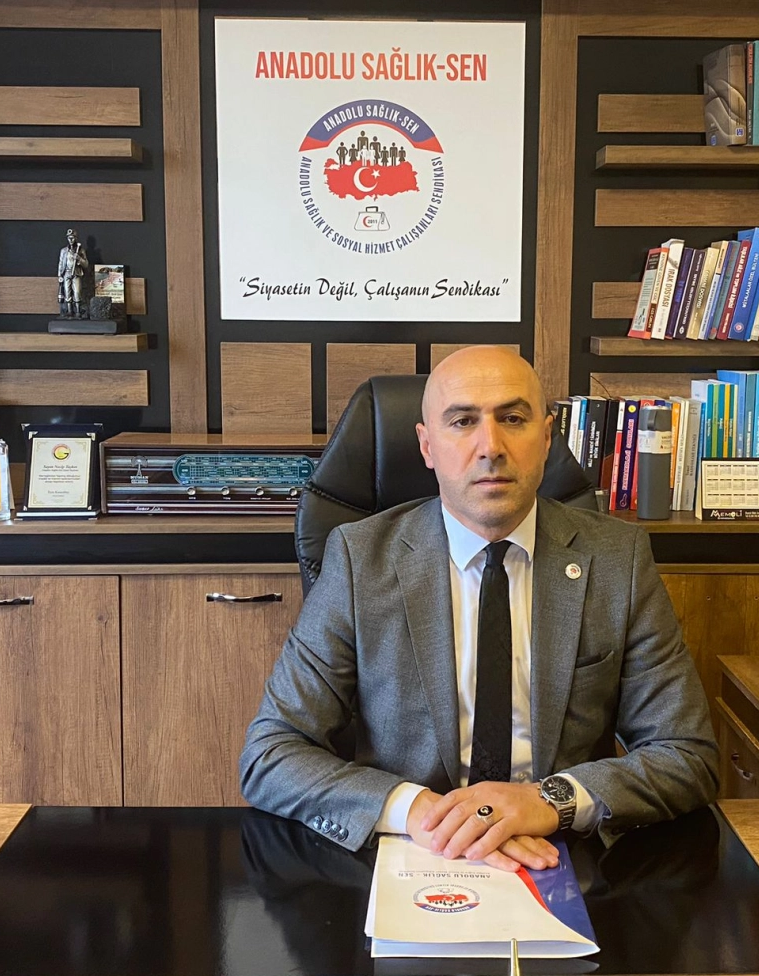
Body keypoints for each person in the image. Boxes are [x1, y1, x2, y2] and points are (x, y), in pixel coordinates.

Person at [241, 347, 718, 872]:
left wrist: (550, 800)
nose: (490, 446)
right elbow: (272, 752)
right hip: (413, 850)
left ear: (547, 437)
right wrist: (424, 812)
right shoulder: (361, 560)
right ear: (427, 446)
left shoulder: (616, 559)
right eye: (463, 421)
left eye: (512, 419)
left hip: (559, 853)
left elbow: (687, 754)